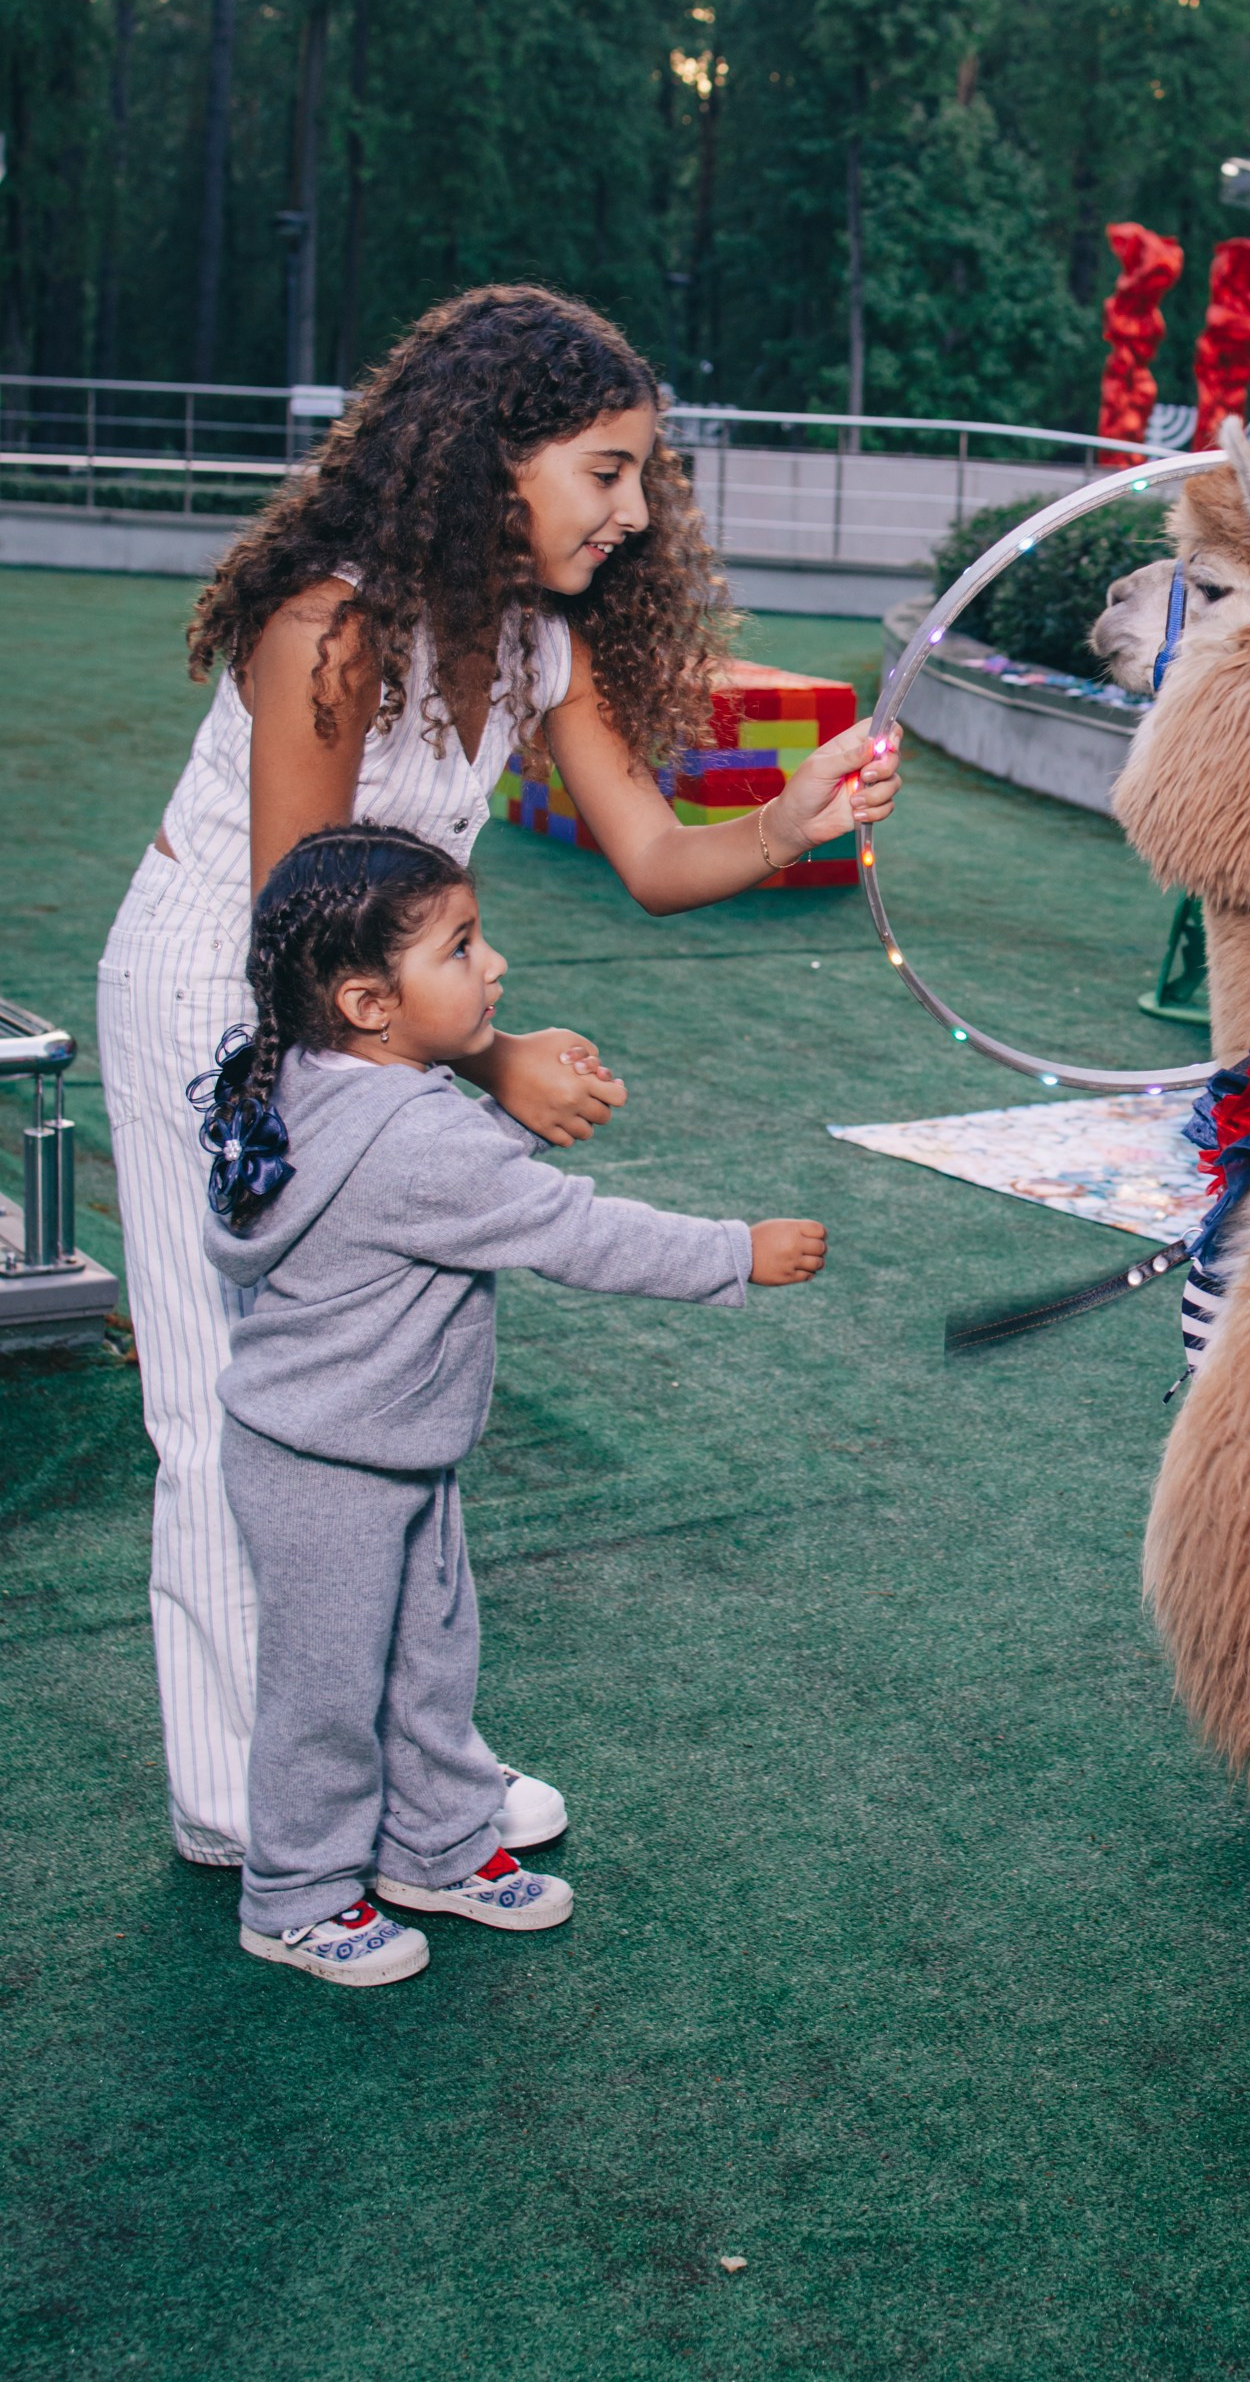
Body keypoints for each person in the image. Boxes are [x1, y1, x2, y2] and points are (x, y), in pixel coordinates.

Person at [98, 285, 899, 1868]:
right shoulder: (325, 630)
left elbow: (660, 854)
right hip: (231, 1006)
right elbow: (298, 934)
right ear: (491, 461)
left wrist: (791, 821)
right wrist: (488, 1062)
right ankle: (238, 1795)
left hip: (372, 1020)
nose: (634, 509)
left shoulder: (532, 636)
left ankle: (404, 1777)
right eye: (605, 470)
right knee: (229, 1409)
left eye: (645, 475)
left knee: (376, 1412)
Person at [197, 823, 829, 1986]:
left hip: (371, 1447)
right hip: (329, 1464)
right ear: (368, 999)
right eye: (461, 946)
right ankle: (293, 1895)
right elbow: (574, 1231)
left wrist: (499, 1112)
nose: (493, 968)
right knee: (329, 1692)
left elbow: (435, 1176)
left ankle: (432, 1846)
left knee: (426, 1659)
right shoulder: (419, 1135)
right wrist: (735, 1252)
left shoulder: (318, 1081)